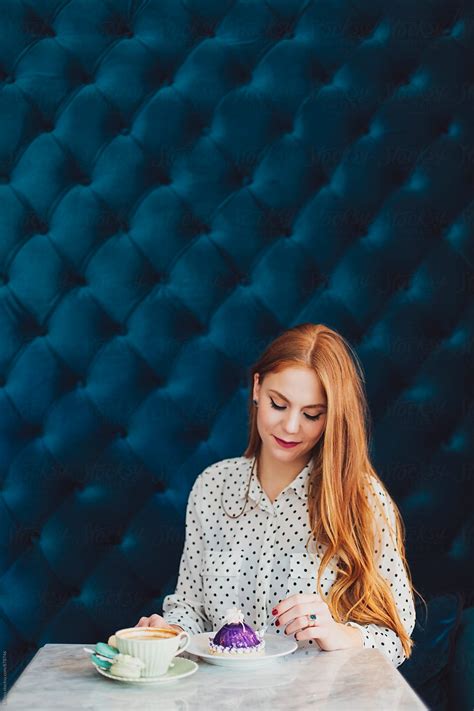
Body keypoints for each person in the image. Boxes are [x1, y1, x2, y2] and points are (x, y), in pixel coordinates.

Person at [135, 323, 424, 667]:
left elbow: (397, 636)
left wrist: (339, 634)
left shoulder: (361, 498)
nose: (290, 427)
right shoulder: (212, 486)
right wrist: (167, 632)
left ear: (332, 417)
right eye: (278, 404)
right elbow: (191, 609)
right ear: (257, 388)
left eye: (311, 414)